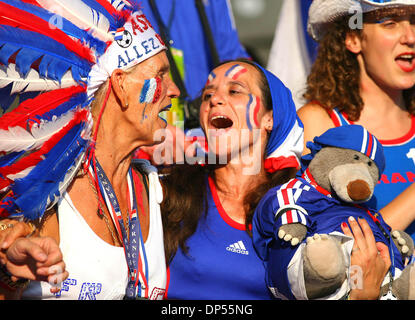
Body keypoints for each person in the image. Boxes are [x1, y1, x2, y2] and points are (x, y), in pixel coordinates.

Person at [159, 58, 390, 300]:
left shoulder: (305, 201)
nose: (214, 100)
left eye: (234, 91)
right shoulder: (169, 191)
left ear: (269, 117)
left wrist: (360, 296)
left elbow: (356, 271)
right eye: (207, 95)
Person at [0, 0, 179, 300]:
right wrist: (7, 269)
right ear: (120, 85)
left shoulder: (154, 187)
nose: (174, 90)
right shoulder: (48, 189)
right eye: (160, 75)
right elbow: (11, 250)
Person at [298, 0, 415, 241]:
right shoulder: (319, 124)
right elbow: (325, 247)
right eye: (390, 23)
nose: (410, 37)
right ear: (352, 38)